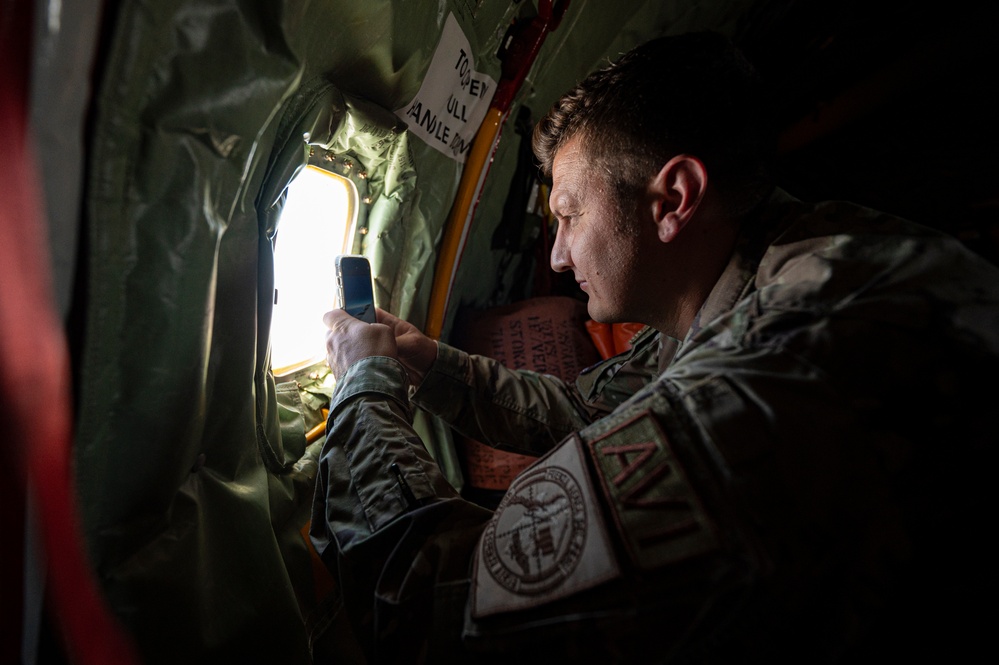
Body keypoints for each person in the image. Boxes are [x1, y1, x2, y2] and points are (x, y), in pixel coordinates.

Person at [310, 31, 999, 664]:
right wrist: (424, 362)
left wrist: (363, 385)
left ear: (673, 198)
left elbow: (436, 611)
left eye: (569, 215)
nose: (553, 255)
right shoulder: (778, 263)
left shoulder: (785, 366)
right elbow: (585, 410)